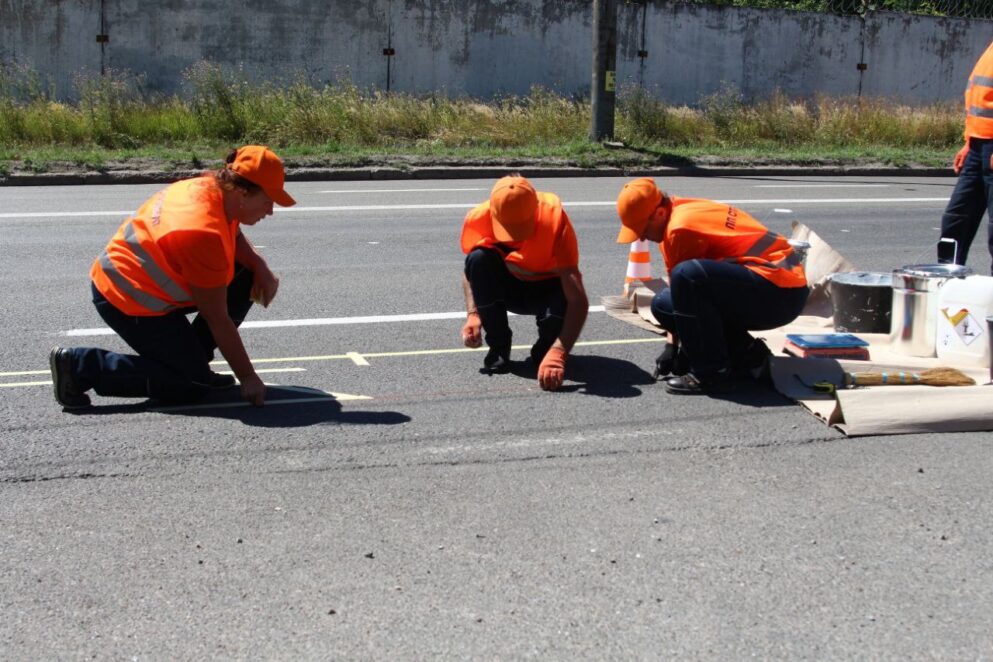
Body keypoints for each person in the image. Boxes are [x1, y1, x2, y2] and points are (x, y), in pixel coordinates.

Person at [49, 145, 296, 409]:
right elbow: (217, 319)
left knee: (245, 275)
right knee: (191, 386)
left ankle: (192, 363)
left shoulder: (214, 188)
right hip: (127, 297)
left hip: (147, 283)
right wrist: (247, 377)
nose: (270, 211)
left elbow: (232, 233)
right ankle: (79, 367)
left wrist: (259, 265)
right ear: (242, 192)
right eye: (268, 200)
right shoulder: (202, 233)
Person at [614, 178, 809, 395]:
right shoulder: (677, 210)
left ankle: (711, 374)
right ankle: (749, 355)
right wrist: (671, 346)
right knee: (663, 305)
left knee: (687, 276)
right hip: (770, 288)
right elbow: (680, 299)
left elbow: (685, 284)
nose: (641, 237)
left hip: (779, 294)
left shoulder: (680, 228)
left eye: (642, 229)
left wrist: (683, 349)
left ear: (658, 213)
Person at [460, 174, 588, 391]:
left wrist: (559, 352)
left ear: (535, 210)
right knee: (477, 259)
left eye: (521, 228)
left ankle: (546, 349)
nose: (513, 238)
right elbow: (470, 272)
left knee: (556, 321)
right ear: (493, 211)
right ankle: (499, 346)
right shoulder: (478, 218)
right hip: (510, 288)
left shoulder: (555, 221)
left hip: (548, 290)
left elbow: (578, 300)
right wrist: (473, 314)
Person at [940, 40, 993, 273]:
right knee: (956, 221)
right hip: (977, 147)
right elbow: (978, 101)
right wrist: (968, 141)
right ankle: (947, 285)